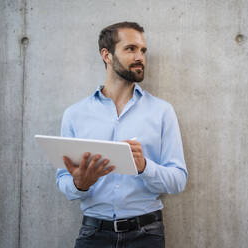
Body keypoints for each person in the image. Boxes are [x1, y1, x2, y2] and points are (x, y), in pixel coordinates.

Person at [56, 21, 187, 248]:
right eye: (131, 49)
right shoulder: (75, 114)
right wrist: (80, 184)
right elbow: (63, 182)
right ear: (106, 55)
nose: (140, 57)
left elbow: (178, 180)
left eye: (143, 50)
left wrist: (144, 166)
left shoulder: (162, 111)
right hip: (93, 234)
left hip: (146, 235)